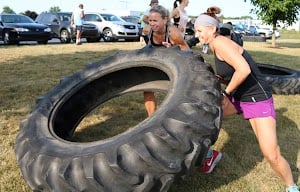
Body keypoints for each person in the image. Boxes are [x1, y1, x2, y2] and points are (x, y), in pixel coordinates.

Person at [193, 6, 299, 192]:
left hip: (257, 99)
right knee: (205, 118)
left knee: (271, 154)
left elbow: (244, 70)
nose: (197, 34)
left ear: (211, 29)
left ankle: (291, 187)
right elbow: (231, 71)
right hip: (240, 96)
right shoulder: (214, 44)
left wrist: (226, 93)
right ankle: (210, 155)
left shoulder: (221, 43)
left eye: (199, 30)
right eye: (196, 30)